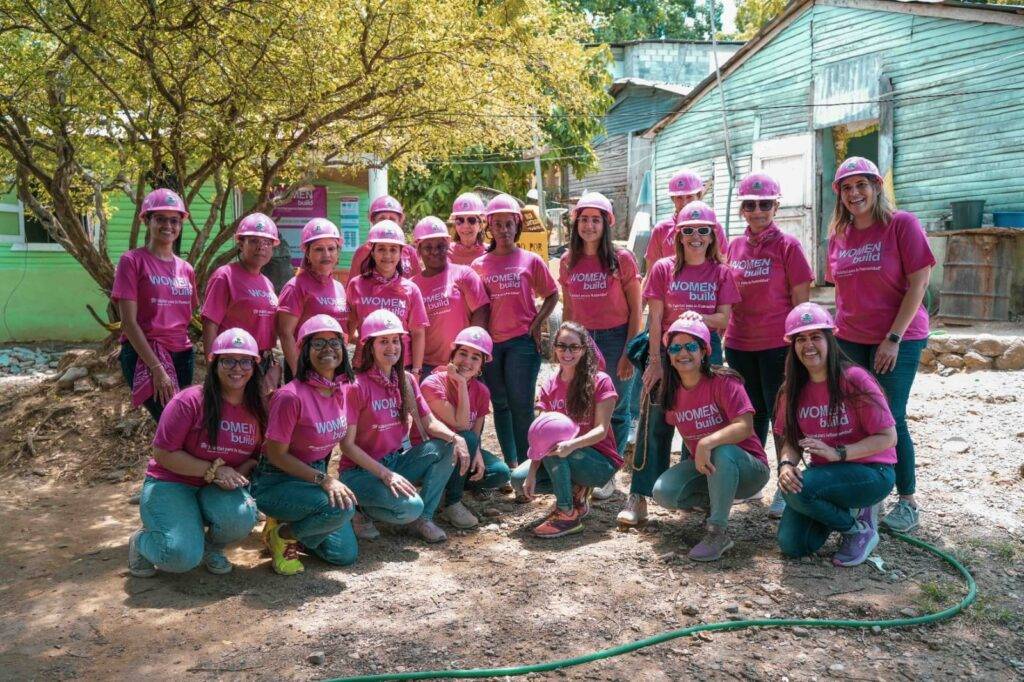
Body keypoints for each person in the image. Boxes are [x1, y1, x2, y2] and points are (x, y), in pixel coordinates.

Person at [828, 157, 934, 533]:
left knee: (890, 414)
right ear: (839, 194)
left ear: (876, 187)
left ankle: (907, 501)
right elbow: (843, 290)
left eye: (862, 185)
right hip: (851, 339)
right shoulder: (839, 236)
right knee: (857, 415)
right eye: (847, 187)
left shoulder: (900, 225)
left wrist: (893, 338)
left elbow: (919, 283)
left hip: (898, 338)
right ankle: (867, 496)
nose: (855, 193)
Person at [618, 200, 740, 527]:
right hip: (667, 352)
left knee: (701, 423)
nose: (696, 236)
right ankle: (639, 496)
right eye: (689, 230)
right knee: (653, 422)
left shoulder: (722, 272)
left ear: (713, 236)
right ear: (679, 235)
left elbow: (724, 319)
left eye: (704, 230)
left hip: (705, 351)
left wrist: (694, 316)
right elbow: (654, 317)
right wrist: (655, 362)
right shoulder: (663, 269)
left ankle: (695, 494)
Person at [127, 328, 265, 577]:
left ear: (255, 366)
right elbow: (163, 453)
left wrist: (236, 476)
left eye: (245, 360)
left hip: (215, 488)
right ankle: (141, 542)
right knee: (179, 557)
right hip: (171, 483)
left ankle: (212, 547)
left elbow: (255, 456)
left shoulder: (258, 408)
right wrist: (215, 470)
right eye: (228, 360)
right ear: (214, 363)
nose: (237, 368)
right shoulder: (188, 401)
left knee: (243, 516)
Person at [775, 302, 897, 566]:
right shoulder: (792, 389)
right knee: (793, 544)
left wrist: (838, 453)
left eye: (816, 337)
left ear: (830, 340)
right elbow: (791, 441)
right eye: (800, 339)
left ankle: (857, 529)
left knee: (798, 491)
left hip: (872, 472)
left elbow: (888, 437)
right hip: (827, 477)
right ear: (793, 347)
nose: (808, 345)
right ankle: (840, 511)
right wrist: (786, 464)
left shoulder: (854, 378)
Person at [724, 173, 814, 518]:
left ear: (776, 206)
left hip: (777, 344)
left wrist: (797, 345)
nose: (757, 210)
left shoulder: (788, 246)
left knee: (782, 414)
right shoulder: (734, 247)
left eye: (764, 204)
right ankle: (750, 480)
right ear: (742, 209)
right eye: (750, 204)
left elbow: (801, 303)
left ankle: (785, 483)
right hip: (738, 343)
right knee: (749, 414)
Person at [339, 309, 469, 543]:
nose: (392, 347)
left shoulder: (406, 380)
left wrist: (456, 438)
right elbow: (347, 446)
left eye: (396, 341)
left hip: (394, 461)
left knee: (447, 447)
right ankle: (360, 509)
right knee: (409, 507)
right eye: (384, 341)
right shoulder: (356, 386)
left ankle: (424, 519)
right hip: (360, 472)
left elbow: (428, 422)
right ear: (369, 346)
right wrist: (386, 475)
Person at [653, 316, 770, 561]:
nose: (682, 353)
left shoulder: (724, 382)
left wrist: (706, 443)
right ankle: (716, 504)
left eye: (690, 347)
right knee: (664, 491)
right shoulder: (672, 392)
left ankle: (718, 532)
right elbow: (685, 435)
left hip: (749, 469)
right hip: (713, 470)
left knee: (722, 450)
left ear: (705, 351)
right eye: (675, 348)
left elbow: (745, 427)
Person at [252, 314, 359, 575]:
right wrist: (325, 480)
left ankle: (290, 524)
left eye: (334, 343)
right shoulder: (290, 396)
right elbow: (277, 455)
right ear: (304, 352)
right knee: (340, 508)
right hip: (275, 481)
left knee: (343, 555)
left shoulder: (344, 390)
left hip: (311, 479)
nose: (328, 350)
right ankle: (283, 534)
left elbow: (344, 444)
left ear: (343, 351)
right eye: (318, 343)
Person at [471, 193, 559, 469]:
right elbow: (476, 306)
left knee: (521, 406)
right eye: (497, 224)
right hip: (492, 345)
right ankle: (511, 464)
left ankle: (528, 464)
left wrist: (537, 323)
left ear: (517, 225)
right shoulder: (478, 266)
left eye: (509, 224)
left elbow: (552, 294)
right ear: (490, 227)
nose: (504, 230)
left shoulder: (530, 260)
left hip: (522, 343)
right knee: (500, 403)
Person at [510, 321, 622, 538]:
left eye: (574, 347)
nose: (567, 352)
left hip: (599, 462)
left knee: (556, 446)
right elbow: (542, 435)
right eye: (562, 346)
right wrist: (532, 473)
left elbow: (600, 430)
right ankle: (575, 493)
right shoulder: (549, 385)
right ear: (554, 347)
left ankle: (566, 514)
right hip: (563, 453)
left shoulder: (601, 381)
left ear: (584, 349)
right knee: (517, 479)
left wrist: (571, 444)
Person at [558, 191, 641, 459]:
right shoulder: (568, 261)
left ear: (606, 224)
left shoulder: (622, 259)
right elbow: (569, 308)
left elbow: (636, 310)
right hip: (582, 342)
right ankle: (588, 462)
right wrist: (564, 347)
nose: (589, 226)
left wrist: (629, 351)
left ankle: (610, 467)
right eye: (584, 219)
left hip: (617, 339)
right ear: (576, 223)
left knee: (616, 406)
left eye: (596, 220)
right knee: (585, 402)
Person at [113, 188, 198, 422]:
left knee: (181, 423)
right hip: (147, 356)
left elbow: (187, 315)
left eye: (174, 220)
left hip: (183, 354)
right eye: (160, 219)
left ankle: (163, 460)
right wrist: (157, 368)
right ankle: (163, 460)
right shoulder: (132, 261)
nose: (168, 226)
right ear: (147, 221)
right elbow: (129, 322)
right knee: (172, 422)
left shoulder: (186, 269)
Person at [416, 327, 510, 529]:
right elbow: (460, 424)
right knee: (465, 437)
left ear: (482, 365)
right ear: (452, 355)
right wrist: (460, 383)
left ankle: (446, 486)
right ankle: (452, 502)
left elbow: (476, 430)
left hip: (463, 450)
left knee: (500, 473)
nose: (467, 361)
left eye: (475, 357)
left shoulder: (482, 391)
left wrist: (476, 453)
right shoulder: (432, 383)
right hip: (432, 453)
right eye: (462, 353)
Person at [201, 212, 281, 391]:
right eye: (253, 241)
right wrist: (211, 368)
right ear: (240, 243)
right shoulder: (225, 276)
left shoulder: (267, 282)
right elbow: (210, 324)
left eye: (267, 242)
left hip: (263, 362)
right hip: (235, 363)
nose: (261, 247)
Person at [346, 220, 430, 374]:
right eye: (381, 249)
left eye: (393, 249)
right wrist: (366, 342)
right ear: (372, 252)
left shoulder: (411, 289)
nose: (387, 255)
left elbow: (418, 333)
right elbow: (349, 327)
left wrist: (416, 371)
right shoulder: (356, 285)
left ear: (401, 253)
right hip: (364, 366)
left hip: (401, 368)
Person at [411, 216, 490, 377]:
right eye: (428, 247)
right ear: (418, 250)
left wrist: (470, 351)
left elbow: (481, 310)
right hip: (426, 367)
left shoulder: (464, 274)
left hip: (462, 366)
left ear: (448, 246)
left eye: (440, 246)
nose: (434, 251)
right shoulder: (412, 285)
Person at [277, 218, 348, 377]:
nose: (326, 255)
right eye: (318, 249)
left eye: (331, 248)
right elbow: (285, 333)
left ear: (338, 252)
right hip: (305, 367)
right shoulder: (295, 286)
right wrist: (298, 373)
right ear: (307, 253)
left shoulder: (339, 287)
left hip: (335, 365)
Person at [643, 169, 727, 271]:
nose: (684, 203)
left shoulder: (713, 227)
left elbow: (724, 263)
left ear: (699, 196)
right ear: (673, 199)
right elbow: (651, 272)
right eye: (679, 198)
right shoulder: (661, 229)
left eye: (689, 197)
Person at [347, 194, 421, 280]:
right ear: (373, 221)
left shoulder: (410, 252)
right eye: (382, 218)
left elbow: (418, 283)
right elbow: (352, 289)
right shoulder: (362, 252)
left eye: (392, 219)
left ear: (399, 222)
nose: (387, 222)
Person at [448, 192, 488, 266]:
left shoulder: (490, 253)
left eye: (471, 220)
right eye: (460, 220)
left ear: (480, 225)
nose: (466, 226)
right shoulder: (445, 253)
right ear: (455, 225)